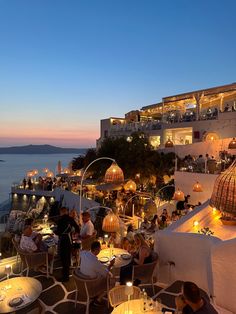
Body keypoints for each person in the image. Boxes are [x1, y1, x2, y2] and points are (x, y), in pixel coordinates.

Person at [78, 241, 115, 305]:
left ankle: (98, 296)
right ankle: (98, 299)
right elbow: (105, 273)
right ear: (96, 250)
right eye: (100, 249)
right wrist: (111, 264)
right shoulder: (95, 262)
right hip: (91, 285)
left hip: (81, 281)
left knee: (100, 271)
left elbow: (80, 252)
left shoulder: (84, 253)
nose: (100, 250)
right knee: (111, 279)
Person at [55, 207, 80, 282]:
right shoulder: (70, 219)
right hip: (69, 240)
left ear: (62, 212)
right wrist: (74, 233)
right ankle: (66, 272)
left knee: (63, 258)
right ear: (66, 212)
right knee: (67, 256)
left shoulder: (60, 220)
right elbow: (77, 228)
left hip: (63, 240)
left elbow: (58, 232)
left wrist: (54, 232)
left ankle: (65, 277)